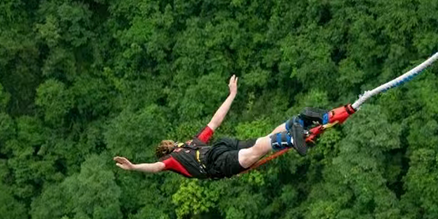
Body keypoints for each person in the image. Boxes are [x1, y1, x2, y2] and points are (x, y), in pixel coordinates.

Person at [113, 75, 326, 179]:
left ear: (165, 154)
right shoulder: (192, 142)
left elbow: (155, 167)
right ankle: (297, 121)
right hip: (221, 148)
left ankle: (291, 138)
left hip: (216, 163)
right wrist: (232, 95)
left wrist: (134, 167)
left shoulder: (171, 161)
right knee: (264, 141)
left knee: (254, 152)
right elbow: (215, 121)